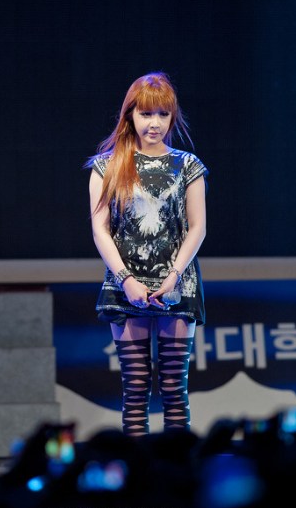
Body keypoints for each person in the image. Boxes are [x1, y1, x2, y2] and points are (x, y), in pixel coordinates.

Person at [86, 72, 208, 437]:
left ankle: (177, 468)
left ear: (172, 118)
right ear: (130, 115)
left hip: (177, 285)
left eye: (162, 115)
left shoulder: (188, 165)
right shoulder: (107, 165)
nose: (154, 123)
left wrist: (174, 276)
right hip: (125, 286)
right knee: (135, 389)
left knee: (174, 388)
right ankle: (136, 471)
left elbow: (197, 227)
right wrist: (126, 281)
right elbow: (100, 230)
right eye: (146, 114)